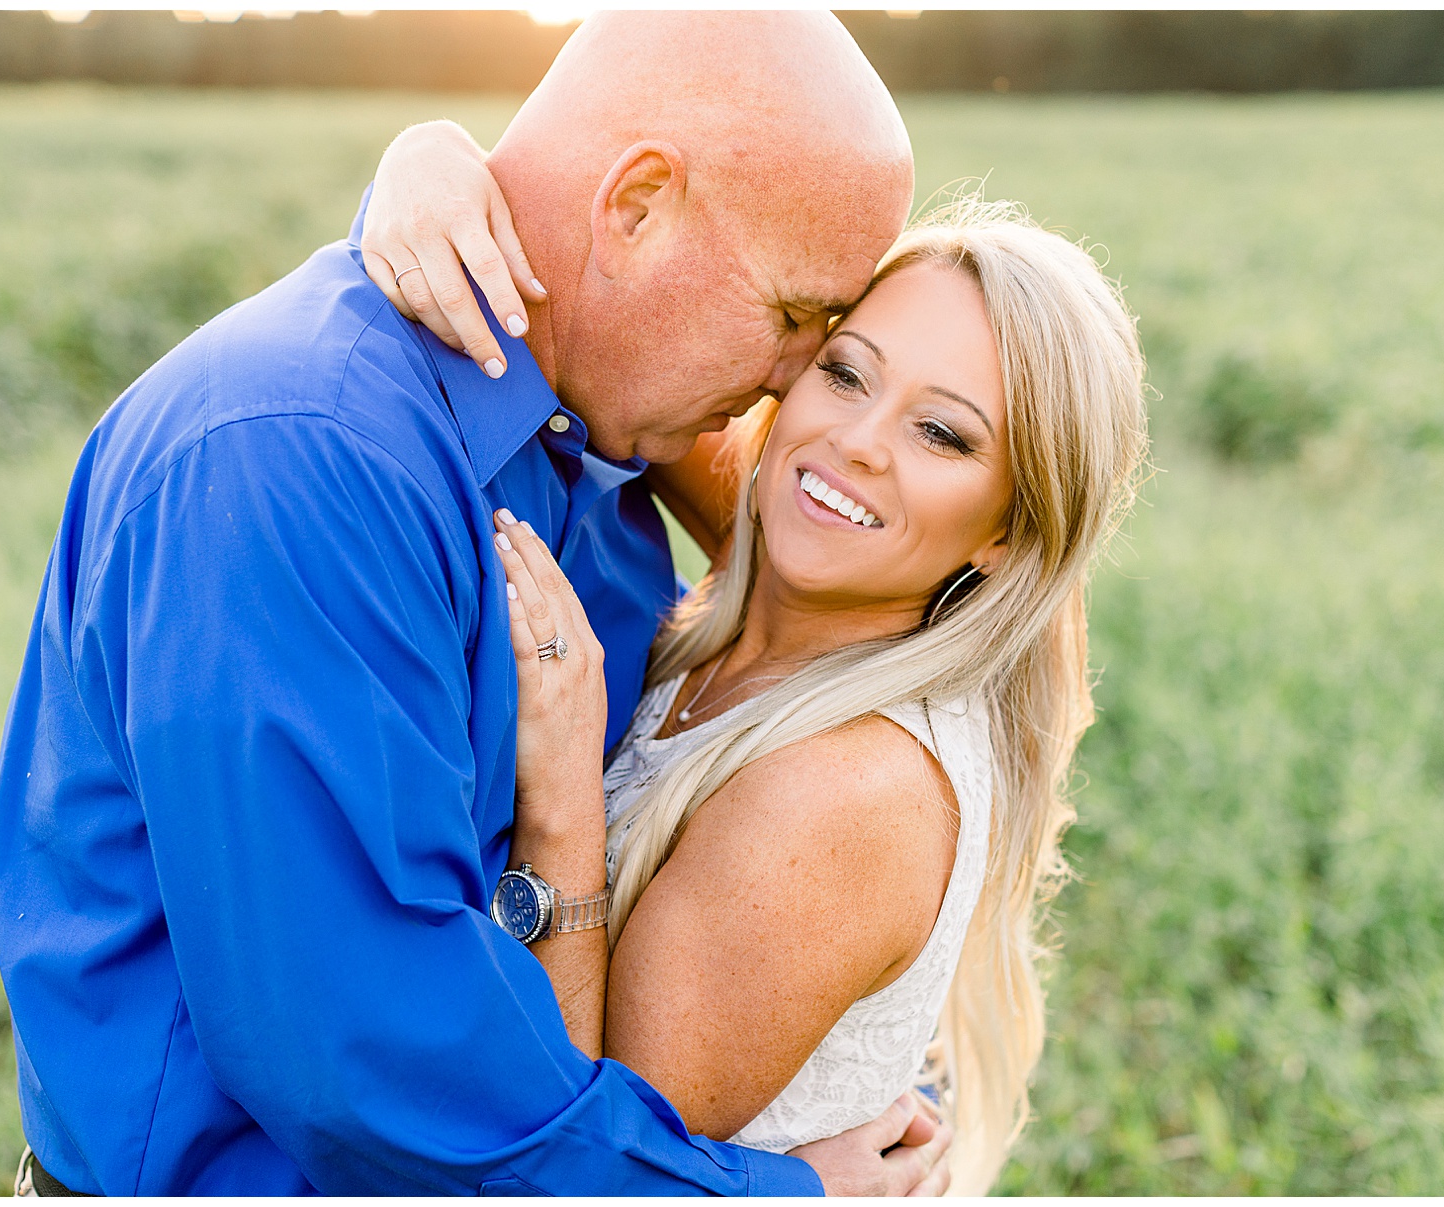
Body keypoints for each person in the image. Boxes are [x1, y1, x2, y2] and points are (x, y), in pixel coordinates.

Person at [0, 11, 952, 1197]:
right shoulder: (295, 462)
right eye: (798, 317)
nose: (793, 380)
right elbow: (367, 1062)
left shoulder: (598, 432)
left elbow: (910, 543)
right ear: (637, 206)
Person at [358, 137, 1150, 1194]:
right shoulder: (805, 552)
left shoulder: (843, 791)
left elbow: (584, 1165)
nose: (860, 441)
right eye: (845, 369)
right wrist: (435, 162)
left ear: (1007, 531)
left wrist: (560, 802)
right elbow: (607, 329)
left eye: (943, 435)